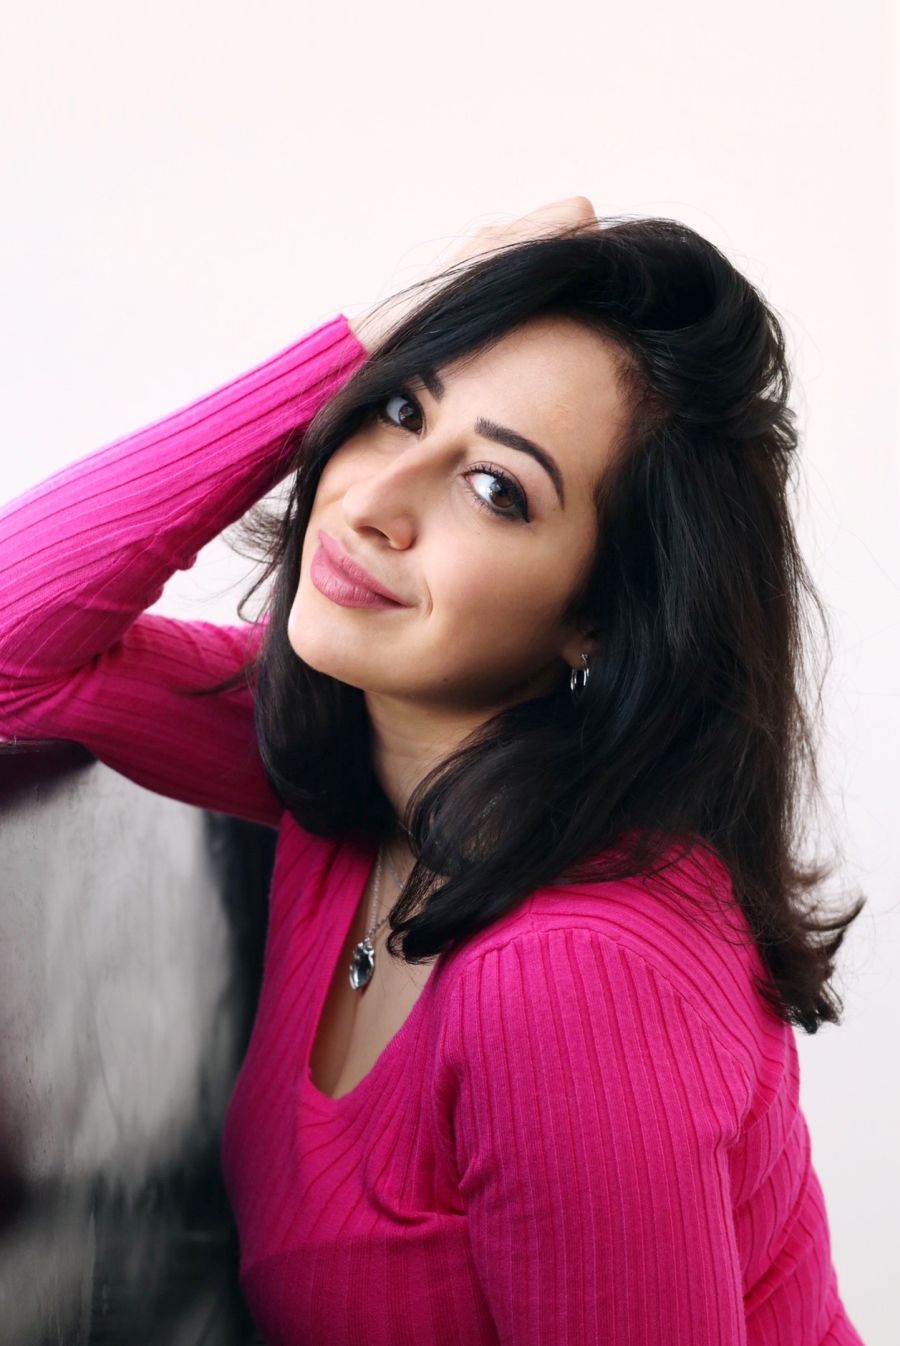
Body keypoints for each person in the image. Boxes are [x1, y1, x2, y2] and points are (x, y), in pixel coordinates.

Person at [0, 197, 867, 1344]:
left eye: (497, 489)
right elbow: (13, 647)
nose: (371, 502)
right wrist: (371, 335)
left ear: (600, 616)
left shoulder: (571, 982)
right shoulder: (354, 768)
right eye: (401, 410)